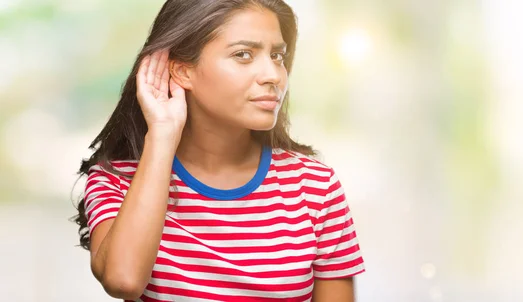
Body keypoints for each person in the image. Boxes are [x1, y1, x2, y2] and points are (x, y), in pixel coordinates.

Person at [72, 0, 365, 301]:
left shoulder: (316, 187)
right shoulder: (117, 181)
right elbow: (124, 281)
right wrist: (162, 131)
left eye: (277, 55)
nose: (274, 76)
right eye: (243, 54)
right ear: (182, 71)